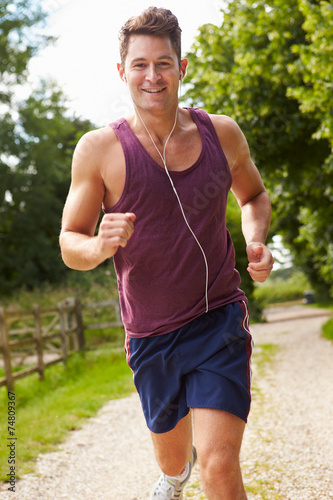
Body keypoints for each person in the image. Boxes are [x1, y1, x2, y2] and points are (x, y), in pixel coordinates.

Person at [59, 7, 274, 500]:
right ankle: (174, 476)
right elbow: (70, 240)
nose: (152, 75)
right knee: (176, 460)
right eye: (139, 64)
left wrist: (256, 239)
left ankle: (199, 467)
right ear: (122, 71)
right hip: (151, 335)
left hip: (217, 318)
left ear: (182, 67)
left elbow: (254, 197)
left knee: (218, 468)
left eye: (164, 62)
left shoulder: (222, 134)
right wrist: (98, 244)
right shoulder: (98, 150)